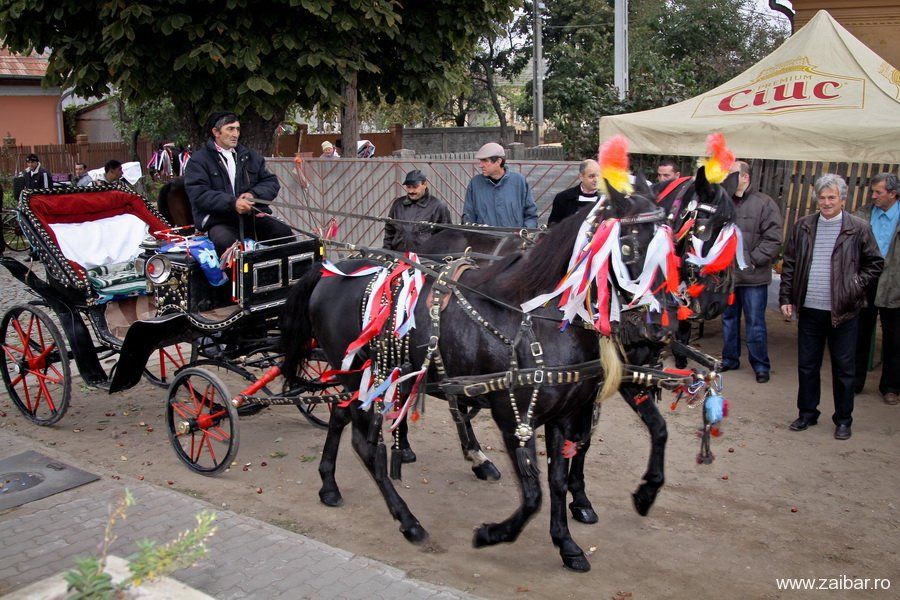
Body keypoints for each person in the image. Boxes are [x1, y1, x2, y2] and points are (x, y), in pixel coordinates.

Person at [780, 174, 883, 440]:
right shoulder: (803, 226)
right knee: (807, 366)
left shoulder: (858, 227)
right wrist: (786, 298)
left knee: (844, 368)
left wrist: (855, 285)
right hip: (810, 308)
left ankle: (844, 419)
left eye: (832, 198)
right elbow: (789, 263)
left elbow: (875, 262)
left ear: (843, 200)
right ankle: (807, 414)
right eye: (822, 197)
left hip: (844, 311)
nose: (826, 203)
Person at [184, 111, 293, 255]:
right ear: (216, 132)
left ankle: (281, 276)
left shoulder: (250, 156)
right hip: (219, 221)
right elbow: (199, 194)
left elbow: (271, 182)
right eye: (230, 129)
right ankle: (232, 278)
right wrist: (233, 203)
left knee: (283, 232)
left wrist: (252, 194)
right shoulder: (198, 161)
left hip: (251, 218)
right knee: (228, 245)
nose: (235, 134)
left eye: (238, 129)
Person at [720, 160, 783, 383]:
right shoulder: (723, 201)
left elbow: (774, 239)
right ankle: (729, 359)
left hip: (753, 277)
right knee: (728, 319)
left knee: (755, 323)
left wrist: (752, 260)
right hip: (728, 277)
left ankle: (760, 365)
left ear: (745, 177)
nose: (727, 178)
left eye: (732, 174)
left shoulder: (764, 203)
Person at [853, 173, 900, 405]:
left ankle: (891, 387)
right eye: (872, 191)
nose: (873, 196)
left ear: (893, 193)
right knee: (860, 333)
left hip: (895, 283)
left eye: (878, 192)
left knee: (894, 338)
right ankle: (855, 381)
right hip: (867, 280)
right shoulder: (863, 213)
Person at [462, 142, 537, 228]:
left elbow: (531, 215)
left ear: (498, 161)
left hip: (514, 239)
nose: (480, 165)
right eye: (480, 161)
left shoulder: (519, 182)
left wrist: (524, 233)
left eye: (485, 161)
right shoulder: (475, 184)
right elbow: (468, 216)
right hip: (484, 239)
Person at [383, 170, 453, 252]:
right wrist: (386, 251)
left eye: (415, 187)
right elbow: (389, 230)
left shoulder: (438, 206)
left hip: (425, 259)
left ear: (425, 184)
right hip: (399, 256)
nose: (411, 191)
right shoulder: (398, 204)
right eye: (408, 187)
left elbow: (446, 235)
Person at [547, 159, 600, 226]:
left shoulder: (608, 198)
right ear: (581, 177)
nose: (596, 180)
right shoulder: (563, 198)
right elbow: (553, 226)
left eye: (598, 176)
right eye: (591, 176)